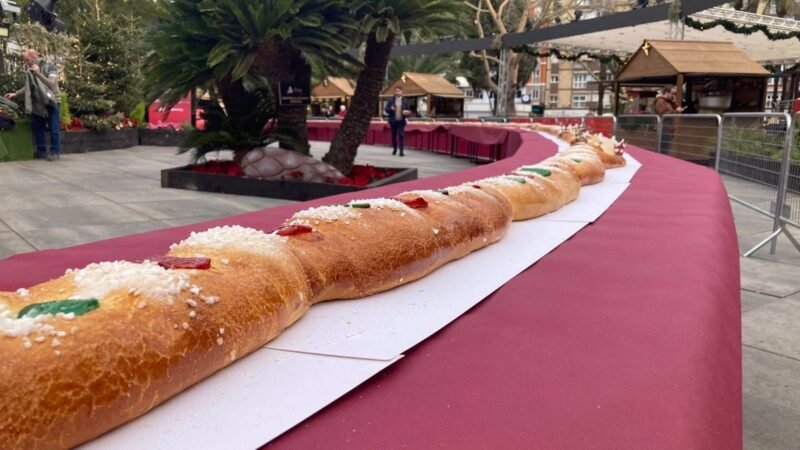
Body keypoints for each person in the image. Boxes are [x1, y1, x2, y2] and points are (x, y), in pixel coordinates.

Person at [4, 49, 61, 161]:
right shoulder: (30, 70)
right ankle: (41, 151)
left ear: (34, 57)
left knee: (53, 127)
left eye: (27, 60)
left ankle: (55, 152)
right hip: (38, 102)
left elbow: (52, 85)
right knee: (37, 126)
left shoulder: (50, 67)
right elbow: (29, 86)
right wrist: (15, 94)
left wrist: (39, 74)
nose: (26, 62)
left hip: (52, 101)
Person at [653, 85, 684, 153]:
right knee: (663, 149)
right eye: (672, 93)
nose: (673, 95)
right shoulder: (660, 101)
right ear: (666, 93)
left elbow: (675, 107)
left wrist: (673, 101)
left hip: (668, 128)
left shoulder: (668, 102)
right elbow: (663, 114)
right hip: (664, 128)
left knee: (666, 148)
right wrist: (676, 111)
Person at [384, 86, 410, 156]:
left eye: (399, 91)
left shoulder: (405, 101)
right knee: (394, 136)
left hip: (401, 121)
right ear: (394, 92)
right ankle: (395, 148)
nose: (398, 92)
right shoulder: (390, 100)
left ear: (402, 92)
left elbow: (409, 111)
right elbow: (386, 110)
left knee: (401, 135)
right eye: (396, 91)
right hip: (393, 121)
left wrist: (407, 113)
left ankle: (401, 151)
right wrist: (390, 109)